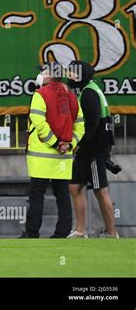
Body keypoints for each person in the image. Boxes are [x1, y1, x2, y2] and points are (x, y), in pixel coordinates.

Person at [22, 62, 84, 239]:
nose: (41, 75)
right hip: (63, 158)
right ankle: (62, 233)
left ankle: (32, 233)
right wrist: (69, 144)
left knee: (36, 195)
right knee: (62, 195)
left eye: (44, 72)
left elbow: (40, 124)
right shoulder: (71, 96)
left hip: (41, 157)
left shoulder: (40, 95)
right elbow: (80, 126)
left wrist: (55, 143)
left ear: (50, 76)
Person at [66, 60, 119, 238]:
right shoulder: (88, 90)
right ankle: (81, 231)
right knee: (74, 187)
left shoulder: (89, 93)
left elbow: (93, 123)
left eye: (72, 73)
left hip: (94, 149)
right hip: (87, 149)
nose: (69, 76)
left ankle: (112, 233)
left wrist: (78, 143)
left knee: (100, 189)